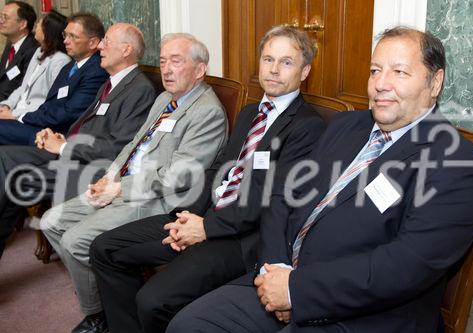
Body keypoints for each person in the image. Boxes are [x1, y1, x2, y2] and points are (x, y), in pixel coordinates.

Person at [165, 27, 473, 333]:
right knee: (188, 324)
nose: (380, 83)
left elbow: (404, 266)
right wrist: (275, 269)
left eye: (399, 72)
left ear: (435, 83)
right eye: (375, 70)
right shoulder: (346, 126)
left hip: (365, 314)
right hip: (280, 277)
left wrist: (296, 290)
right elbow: (283, 196)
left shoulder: (458, 164)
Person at [90, 26, 326, 333]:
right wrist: (186, 216)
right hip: (205, 216)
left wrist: (206, 228)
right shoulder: (250, 113)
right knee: (105, 249)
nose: (274, 70)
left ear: (304, 71)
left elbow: (270, 202)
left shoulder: (307, 127)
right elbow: (218, 170)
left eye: (286, 62)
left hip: (242, 239)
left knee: (153, 300)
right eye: (268, 59)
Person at [40, 32, 228, 333]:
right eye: (163, 61)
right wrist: (109, 176)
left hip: (154, 199)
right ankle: (102, 299)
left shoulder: (208, 113)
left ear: (199, 69)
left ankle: (97, 316)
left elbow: (180, 175)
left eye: (176, 62)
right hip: (121, 184)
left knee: (75, 240)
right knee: (51, 222)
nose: (166, 69)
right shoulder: (165, 98)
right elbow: (134, 144)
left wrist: (120, 188)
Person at [0, 22, 156, 257]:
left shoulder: (139, 89)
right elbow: (86, 125)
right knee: (4, 158)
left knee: (15, 180)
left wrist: (63, 146)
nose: (100, 46)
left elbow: (117, 149)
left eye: (107, 42)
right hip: (72, 152)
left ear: (126, 50)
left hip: (92, 167)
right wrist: (60, 137)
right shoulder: (110, 82)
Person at [0, 12, 108, 145]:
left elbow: (69, 113)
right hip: (41, 126)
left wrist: (21, 117)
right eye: (65, 35)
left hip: (59, 136)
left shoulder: (96, 71)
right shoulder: (69, 66)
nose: (65, 41)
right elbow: (49, 103)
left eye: (72, 36)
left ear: (93, 43)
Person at [0, 10, 70, 120]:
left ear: (48, 31)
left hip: (30, 117)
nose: (36, 26)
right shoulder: (39, 51)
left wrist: (14, 114)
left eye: (39, 24)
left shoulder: (60, 60)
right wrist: (6, 105)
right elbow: (23, 87)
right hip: (15, 110)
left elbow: (50, 101)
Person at [0, 1, 38, 100]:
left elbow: (24, 88)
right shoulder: (10, 45)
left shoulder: (33, 49)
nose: (1, 21)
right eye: (1, 16)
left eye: (6, 18)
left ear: (22, 24)